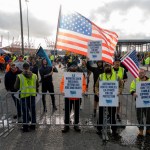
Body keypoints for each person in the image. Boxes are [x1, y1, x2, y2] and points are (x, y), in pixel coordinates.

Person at [95, 63, 123, 136]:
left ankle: (114, 130)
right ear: (104, 68)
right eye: (106, 66)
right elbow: (96, 86)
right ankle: (99, 129)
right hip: (103, 99)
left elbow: (121, 85)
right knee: (101, 114)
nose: (107, 68)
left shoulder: (116, 76)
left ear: (111, 67)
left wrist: (119, 91)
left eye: (108, 66)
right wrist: (97, 92)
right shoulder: (101, 76)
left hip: (112, 99)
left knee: (112, 115)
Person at [60, 64, 86, 133]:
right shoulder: (66, 75)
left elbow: (83, 84)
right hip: (68, 97)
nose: (73, 68)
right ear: (70, 68)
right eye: (72, 67)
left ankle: (76, 124)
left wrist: (83, 90)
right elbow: (62, 83)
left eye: (74, 66)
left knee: (76, 111)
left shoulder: (81, 75)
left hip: (77, 97)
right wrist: (62, 90)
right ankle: (66, 125)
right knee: (67, 111)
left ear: (76, 67)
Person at [14, 62, 39, 132]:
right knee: (33, 110)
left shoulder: (20, 76)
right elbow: (37, 85)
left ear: (23, 68)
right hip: (32, 95)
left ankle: (25, 127)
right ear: (29, 67)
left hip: (24, 96)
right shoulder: (34, 75)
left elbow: (15, 87)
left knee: (25, 111)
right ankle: (33, 125)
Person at [130, 69, 150, 136]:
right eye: (140, 73)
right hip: (139, 102)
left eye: (142, 73)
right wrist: (133, 92)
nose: (140, 74)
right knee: (139, 117)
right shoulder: (135, 80)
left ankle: (148, 129)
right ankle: (141, 130)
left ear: (145, 73)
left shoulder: (149, 80)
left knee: (148, 116)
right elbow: (132, 88)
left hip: (148, 103)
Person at [112, 57, 128, 121]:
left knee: (118, 102)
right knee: (110, 101)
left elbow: (126, 78)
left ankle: (117, 113)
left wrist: (123, 81)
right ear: (114, 62)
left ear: (120, 62)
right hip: (111, 88)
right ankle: (110, 113)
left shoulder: (122, 69)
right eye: (116, 62)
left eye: (118, 62)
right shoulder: (110, 69)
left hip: (119, 89)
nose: (117, 63)